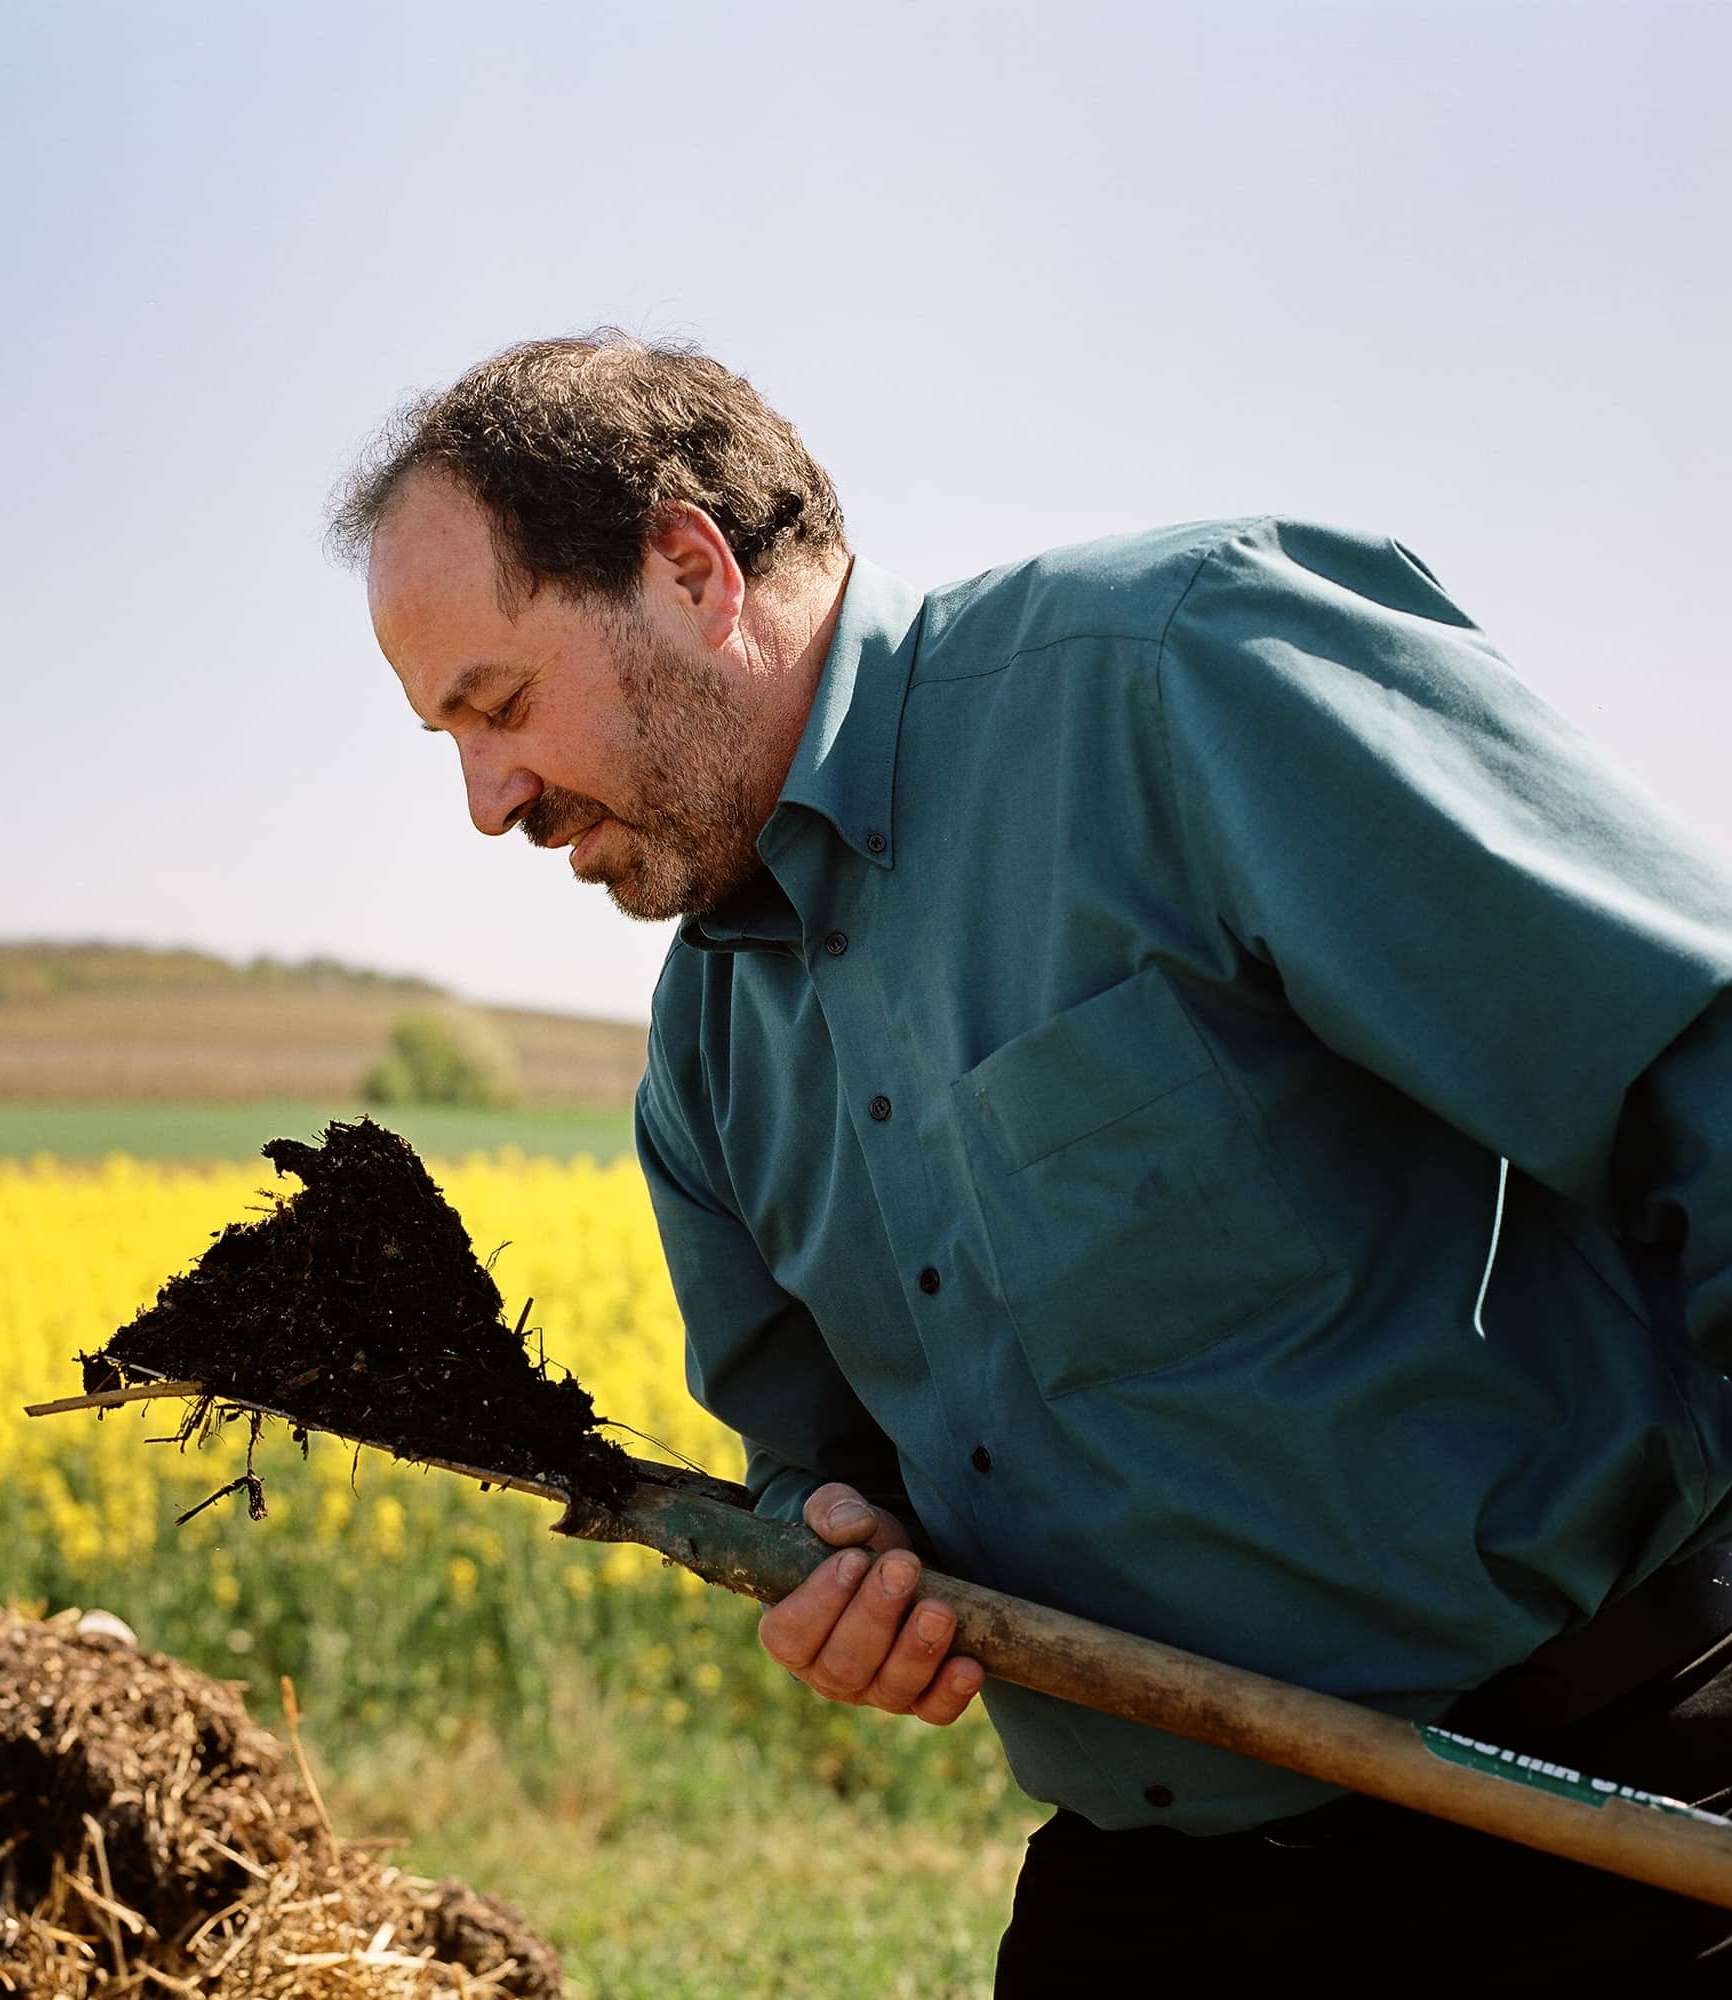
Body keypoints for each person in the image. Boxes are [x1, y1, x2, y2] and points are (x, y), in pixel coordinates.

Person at [329, 331, 1732, 1981]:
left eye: (498, 705)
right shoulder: (703, 1063)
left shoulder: (1181, 676)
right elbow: (817, 1464)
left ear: (694, 569)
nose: (488, 801)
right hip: (1169, 1892)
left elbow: (1690, 1071)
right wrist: (844, 1558)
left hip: (1613, 1804)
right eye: (446, 738)